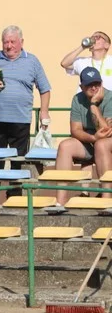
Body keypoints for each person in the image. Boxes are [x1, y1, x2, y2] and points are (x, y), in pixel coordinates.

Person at [0, 25, 51, 193]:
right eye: (5, 42)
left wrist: (44, 111)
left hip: (21, 120)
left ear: (21, 42)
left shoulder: (32, 61)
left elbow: (45, 89)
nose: (9, 46)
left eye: (12, 42)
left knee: (18, 163)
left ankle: (14, 200)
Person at [49, 68, 112, 212]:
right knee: (65, 146)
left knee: (101, 145)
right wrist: (92, 138)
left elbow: (107, 131)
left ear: (101, 84)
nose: (94, 88)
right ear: (82, 86)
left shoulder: (109, 97)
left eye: (97, 84)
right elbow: (75, 130)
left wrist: (94, 105)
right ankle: (60, 202)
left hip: (108, 142)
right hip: (91, 140)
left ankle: (107, 201)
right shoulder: (77, 99)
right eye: (89, 85)